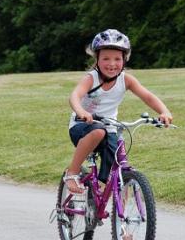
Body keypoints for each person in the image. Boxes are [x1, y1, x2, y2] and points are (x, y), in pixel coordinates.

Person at [63, 29, 173, 194]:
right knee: (99, 132)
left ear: (124, 59)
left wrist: (164, 111)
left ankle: (110, 203)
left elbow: (148, 97)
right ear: (97, 59)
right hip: (83, 126)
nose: (112, 64)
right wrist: (81, 112)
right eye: (106, 58)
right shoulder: (91, 78)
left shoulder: (126, 79)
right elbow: (74, 96)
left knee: (118, 166)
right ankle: (72, 173)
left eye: (117, 59)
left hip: (110, 128)